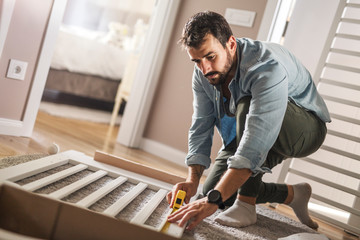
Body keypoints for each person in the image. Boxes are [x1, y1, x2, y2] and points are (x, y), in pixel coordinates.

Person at [166, 11, 331, 231]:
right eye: (196, 61)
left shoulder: (265, 67)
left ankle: (246, 205)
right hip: (250, 131)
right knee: (215, 192)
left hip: (304, 128)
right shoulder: (203, 74)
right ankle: (293, 194)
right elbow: (201, 125)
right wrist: (193, 181)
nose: (204, 68)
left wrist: (213, 201)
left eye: (210, 57)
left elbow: (254, 143)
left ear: (231, 44)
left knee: (246, 105)